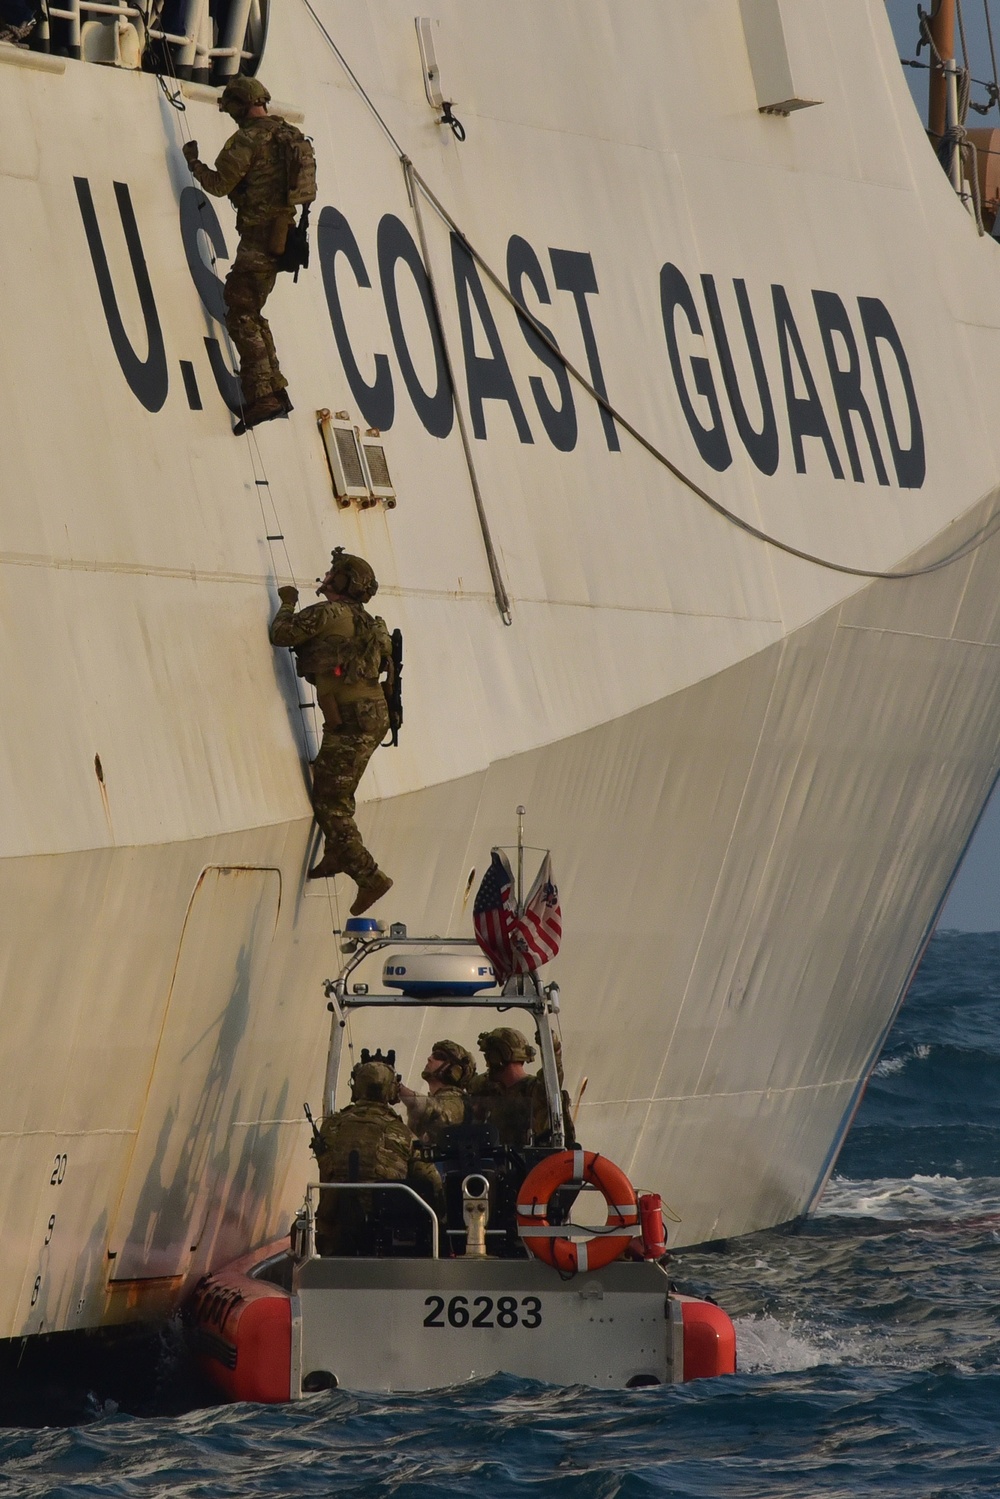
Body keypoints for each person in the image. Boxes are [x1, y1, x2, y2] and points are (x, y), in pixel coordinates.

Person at [269, 547, 394, 914]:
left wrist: (288, 602)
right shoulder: (369, 622)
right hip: (365, 716)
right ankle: (336, 853)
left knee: (331, 803)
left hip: (353, 720)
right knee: (333, 786)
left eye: (331, 574)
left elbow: (282, 634)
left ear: (341, 582)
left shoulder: (328, 613)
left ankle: (369, 876)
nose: (325, 578)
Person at [182, 75, 296, 433]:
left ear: (239, 105)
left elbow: (218, 185)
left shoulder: (248, 139)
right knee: (253, 310)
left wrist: (193, 163)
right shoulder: (288, 134)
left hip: (259, 239)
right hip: (286, 237)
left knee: (241, 312)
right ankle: (274, 389)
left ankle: (263, 395)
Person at [315, 1059, 443, 1257]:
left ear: (357, 1087)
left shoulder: (331, 1126)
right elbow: (431, 1181)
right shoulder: (402, 1133)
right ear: (391, 1092)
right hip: (385, 1234)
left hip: (334, 1231)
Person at [468, 1027, 577, 1148]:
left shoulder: (535, 1090)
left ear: (498, 1057)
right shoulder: (485, 1088)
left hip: (531, 1163)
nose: (487, 1063)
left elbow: (553, 1077)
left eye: (489, 1056)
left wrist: (552, 1049)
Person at [398, 1040, 476, 1147]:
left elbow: (436, 1111)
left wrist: (398, 1087)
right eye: (432, 1055)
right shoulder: (436, 1099)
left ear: (455, 1070)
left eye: (439, 1056)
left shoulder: (458, 1103)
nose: (429, 1058)